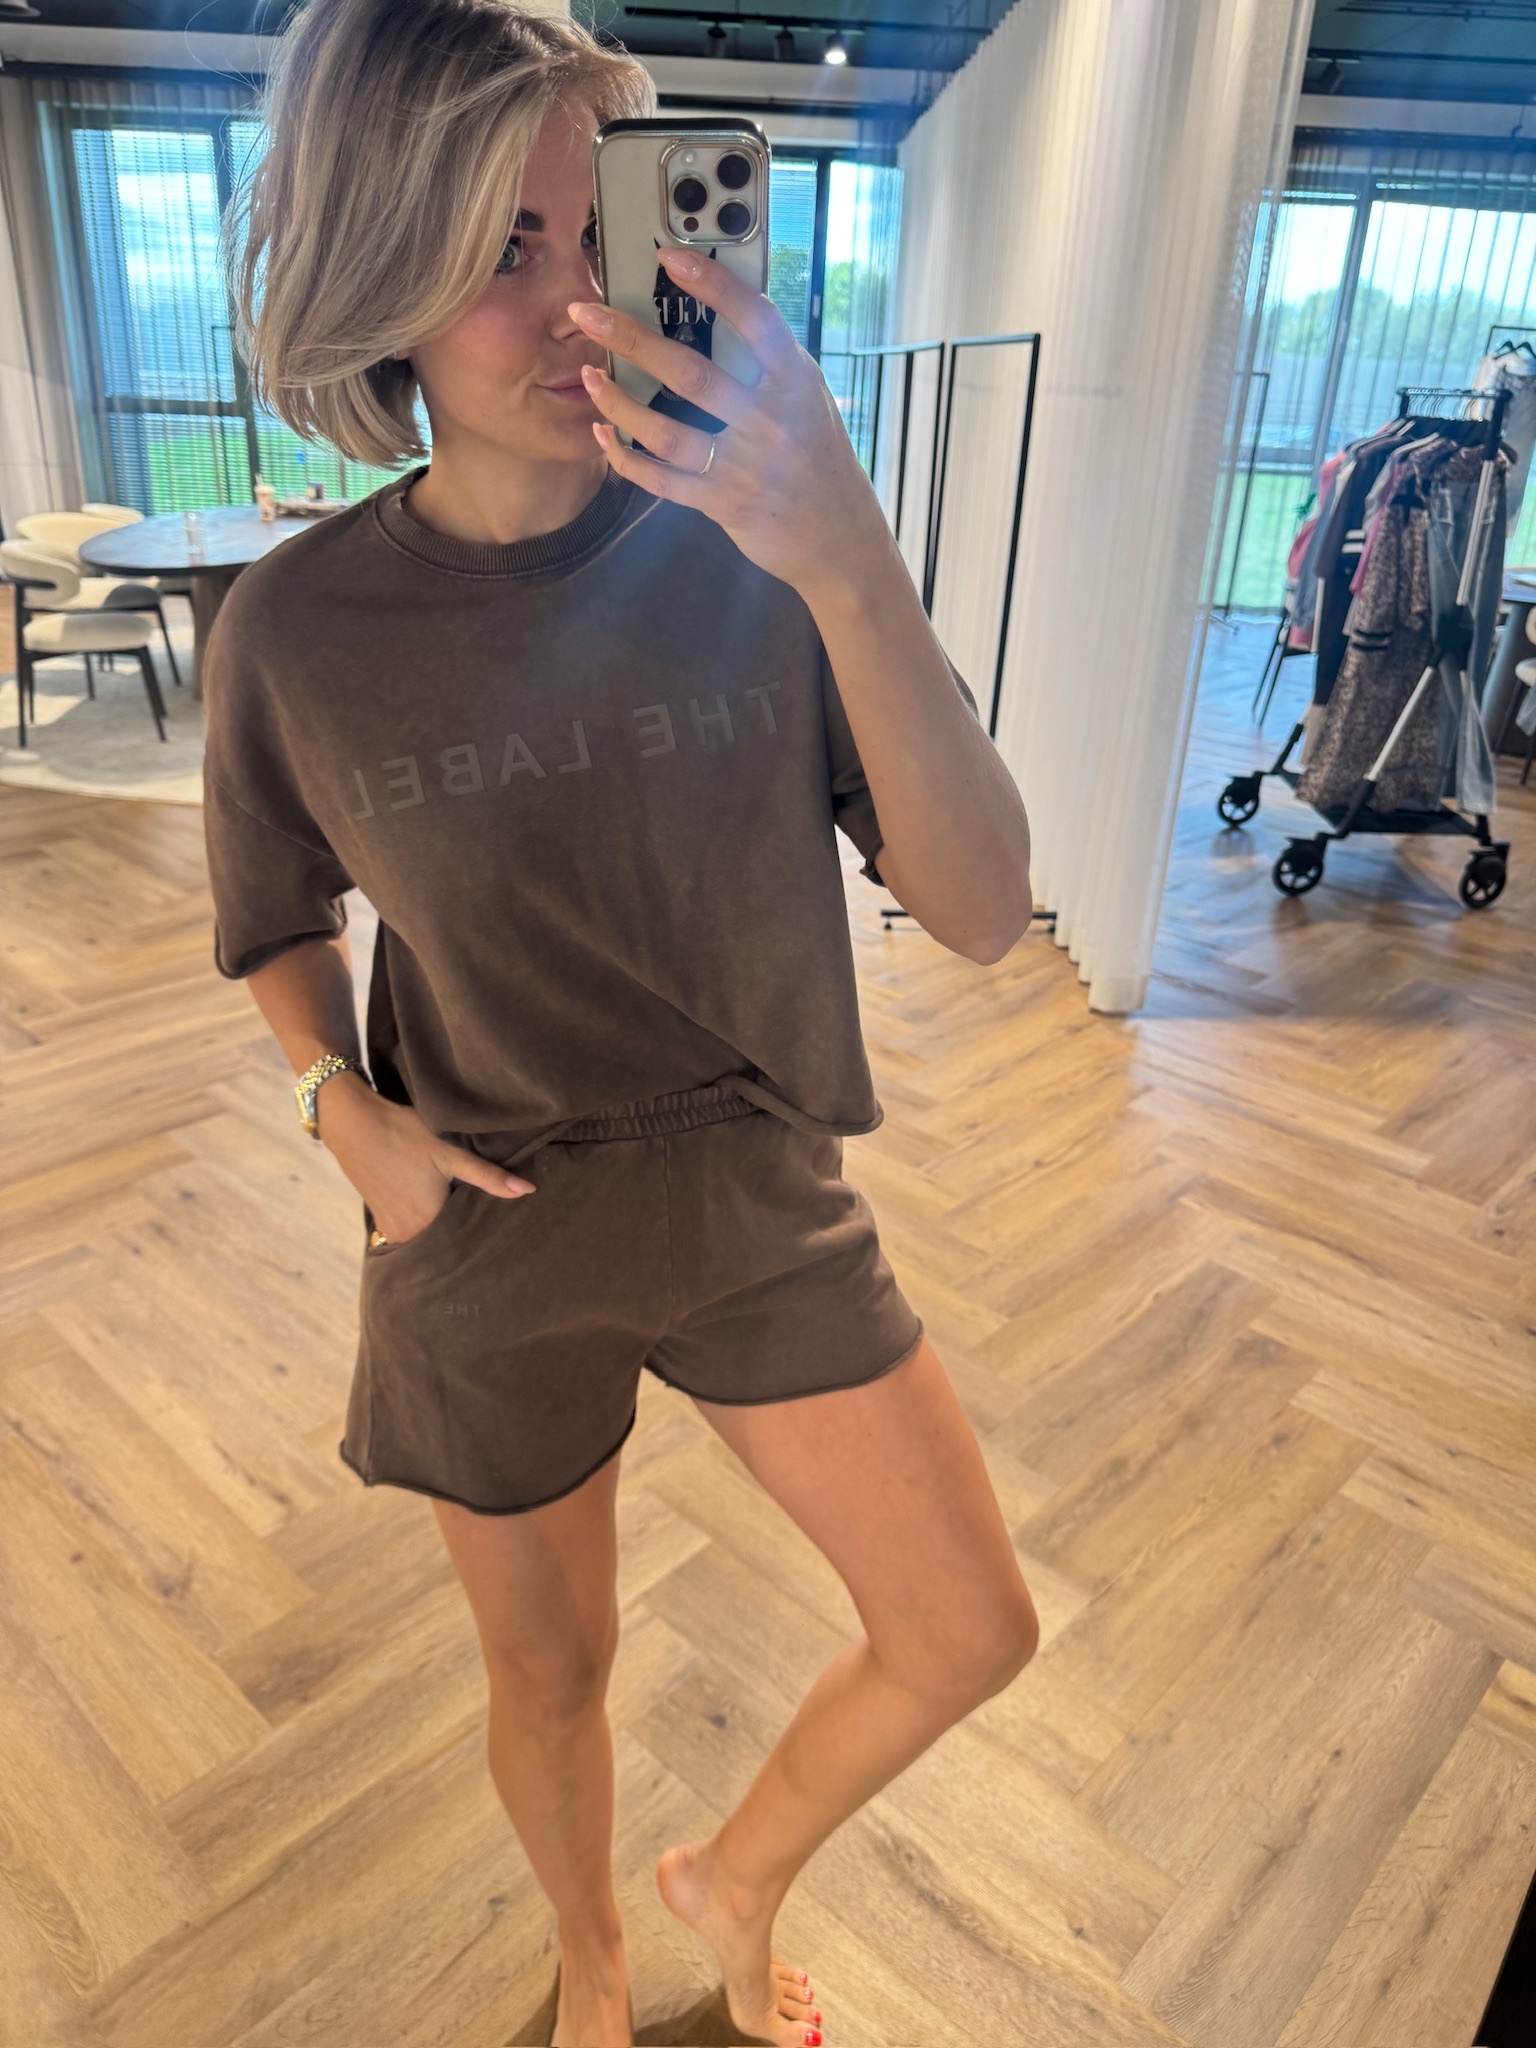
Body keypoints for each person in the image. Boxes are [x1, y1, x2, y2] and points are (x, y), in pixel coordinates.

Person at [207, 4, 1038, 2043]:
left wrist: (848, 558)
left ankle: (728, 1881)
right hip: (485, 1223)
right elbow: (271, 924)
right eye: (507, 247)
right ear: (379, 269)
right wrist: (339, 1110)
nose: (580, 306)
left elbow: (984, 910)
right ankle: (592, 1963)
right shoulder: (295, 631)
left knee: (965, 1627)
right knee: (551, 1674)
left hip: (751, 1186)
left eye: (608, 234)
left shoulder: (762, 558)